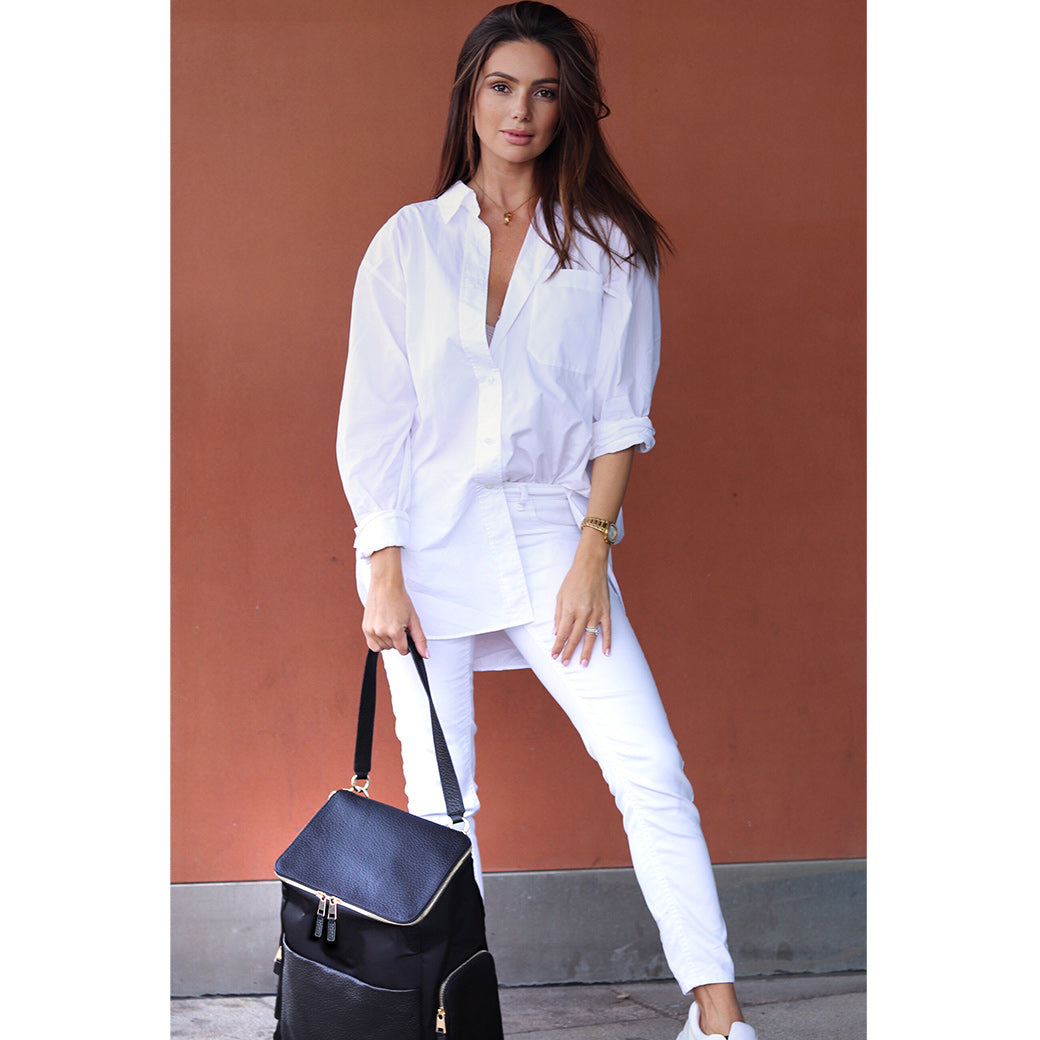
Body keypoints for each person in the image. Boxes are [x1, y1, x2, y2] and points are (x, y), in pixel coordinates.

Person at [336, 4, 757, 1038]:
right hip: (425, 546)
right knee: (445, 804)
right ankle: (462, 1021)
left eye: (543, 91)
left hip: (549, 534)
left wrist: (591, 553)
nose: (519, 110)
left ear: (569, 108)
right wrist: (381, 565)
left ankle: (716, 1017)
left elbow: (619, 418)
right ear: (469, 97)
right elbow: (373, 420)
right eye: (500, 86)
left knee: (649, 767)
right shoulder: (408, 244)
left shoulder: (609, 248)